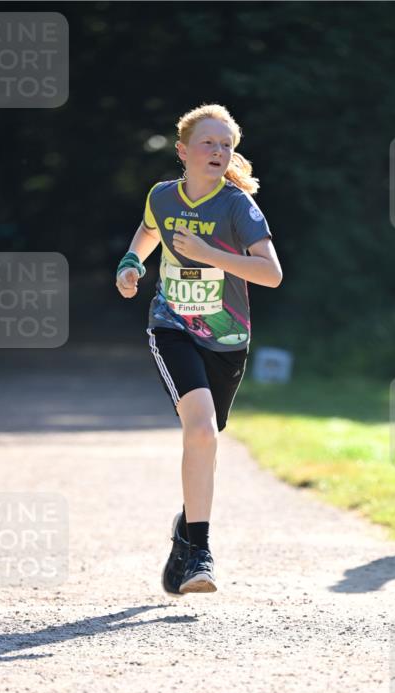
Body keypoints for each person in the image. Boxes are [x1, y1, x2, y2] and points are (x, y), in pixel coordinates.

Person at [116, 103, 282, 593]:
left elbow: (271, 274)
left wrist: (211, 255)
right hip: (172, 326)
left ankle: (185, 533)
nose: (218, 151)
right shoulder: (162, 196)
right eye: (209, 143)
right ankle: (200, 556)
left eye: (226, 145)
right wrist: (131, 263)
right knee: (202, 432)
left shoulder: (238, 207)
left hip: (228, 340)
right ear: (183, 151)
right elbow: (150, 231)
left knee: (207, 443)